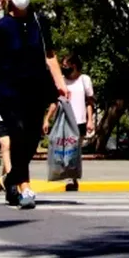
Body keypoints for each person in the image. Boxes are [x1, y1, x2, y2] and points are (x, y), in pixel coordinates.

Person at [0, 0, 68, 210]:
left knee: (33, 139)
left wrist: (60, 83)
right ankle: (25, 187)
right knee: (18, 134)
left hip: (36, 89)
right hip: (9, 91)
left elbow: (50, 56)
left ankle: (10, 180)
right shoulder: (1, 27)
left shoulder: (40, 22)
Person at [44, 53, 94, 190]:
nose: (64, 69)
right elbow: (55, 101)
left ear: (75, 66)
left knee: (74, 151)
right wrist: (47, 119)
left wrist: (90, 120)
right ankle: (68, 177)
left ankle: (72, 177)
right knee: (64, 150)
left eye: (67, 66)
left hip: (79, 121)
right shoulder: (61, 80)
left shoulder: (84, 80)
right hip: (63, 121)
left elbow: (89, 102)